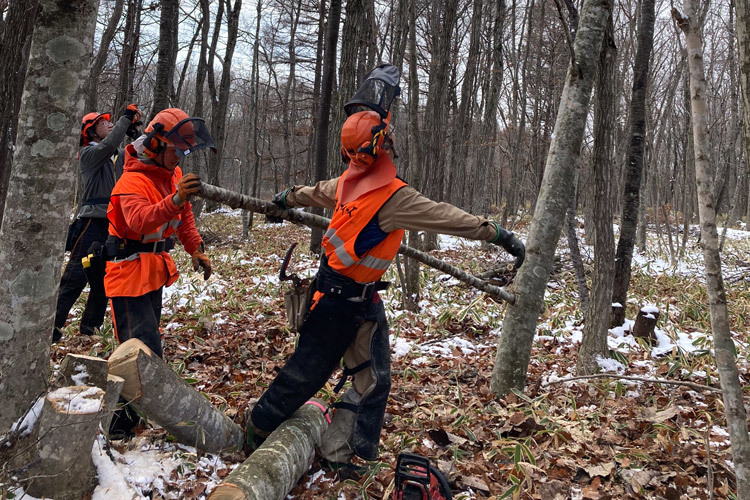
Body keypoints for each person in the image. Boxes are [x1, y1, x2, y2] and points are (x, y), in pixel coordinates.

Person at [245, 65, 525, 473]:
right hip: (337, 303)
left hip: (358, 299)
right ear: (376, 146)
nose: (392, 141)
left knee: (373, 380)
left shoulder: (349, 181)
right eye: (386, 137)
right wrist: (496, 233)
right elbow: (447, 217)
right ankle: (255, 430)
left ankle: (345, 455)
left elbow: (317, 190)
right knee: (305, 375)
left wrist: (289, 196)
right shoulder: (392, 197)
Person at [103, 107, 215, 359]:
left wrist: (196, 249)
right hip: (129, 275)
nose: (179, 156)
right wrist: (175, 199)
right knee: (139, 351)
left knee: (152, 342)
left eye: (182, 150)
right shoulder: (131, 182)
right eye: (174, 150)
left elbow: (184, 216)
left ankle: (143, 392)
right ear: (155, 145)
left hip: (153, 270)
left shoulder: (172, 174)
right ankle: (130, 397)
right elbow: (140, 221)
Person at [53, 104, 142, 342]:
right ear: (91, 132)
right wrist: (125, 119)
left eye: (111, 122)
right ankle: (52, 325)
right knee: (75, 276)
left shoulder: (118, 155)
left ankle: (90, 329)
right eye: (104, 123)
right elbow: (109, 144)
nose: (110, 124)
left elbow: (143, 152)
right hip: (92, 222)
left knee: (104, 278)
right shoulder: (89, 154)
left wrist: (137, 131)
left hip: (113, 224)